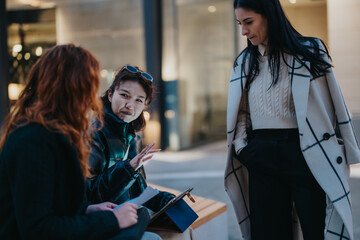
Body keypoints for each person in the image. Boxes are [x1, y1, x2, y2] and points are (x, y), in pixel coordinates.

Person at [225, 0, 360, 239]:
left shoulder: (309, 50)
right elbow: (242, 114)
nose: (243, 31)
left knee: (316, 230)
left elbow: (333, 103)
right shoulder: (245, 62)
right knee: (268, 233)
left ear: (269, 16)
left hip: (305, 153)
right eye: (239, 23)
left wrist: (342, 147)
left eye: (248, 22)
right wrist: (243, 149)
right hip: (261, 153)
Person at [0, 44, 147, 240]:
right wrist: (112, 221)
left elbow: (51, 203)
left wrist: (87, 209)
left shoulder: (51, 132)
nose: (92, 100)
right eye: (89, 88)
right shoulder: (32, 141)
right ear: (70, 91)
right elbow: (38, 229)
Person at [86, 65, 174, 217]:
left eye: (139, 100)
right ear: (110, 95)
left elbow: (137, 190)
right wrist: (127, 169)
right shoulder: (94, 134)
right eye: (125, 95)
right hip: (107, 221)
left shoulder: (132, 136)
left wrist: (164, 200)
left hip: (130, 216)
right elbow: (89, 194)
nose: (130, 105)